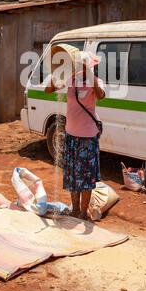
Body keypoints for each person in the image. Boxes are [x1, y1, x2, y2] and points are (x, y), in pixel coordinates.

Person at [45, 50, 105, 220]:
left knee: (86, 177)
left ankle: (83, 212)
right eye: (80, 65)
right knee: (73, 175)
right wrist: (58, 72)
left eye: (85, 65)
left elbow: (100, 95)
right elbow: (48, 90)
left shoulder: (97, 82)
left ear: (92, 66)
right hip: (71, 136)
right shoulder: (71, 79)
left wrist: (91, 76)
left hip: (88, 137)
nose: (81, 68)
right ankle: (75, 209)